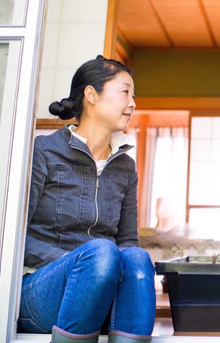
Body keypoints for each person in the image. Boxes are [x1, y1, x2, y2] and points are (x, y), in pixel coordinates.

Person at [19, 56, 155, 343]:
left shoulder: (125, 167)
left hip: (100, 293)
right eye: (125, 92)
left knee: (137, 258)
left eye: (134, 95)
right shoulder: (44, 152)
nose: (133, 103)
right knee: (102, 253)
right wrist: (80, 262)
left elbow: (128, 242)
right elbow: (16, 238)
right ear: (91, 95)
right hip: (42, 288)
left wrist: (99, 266)